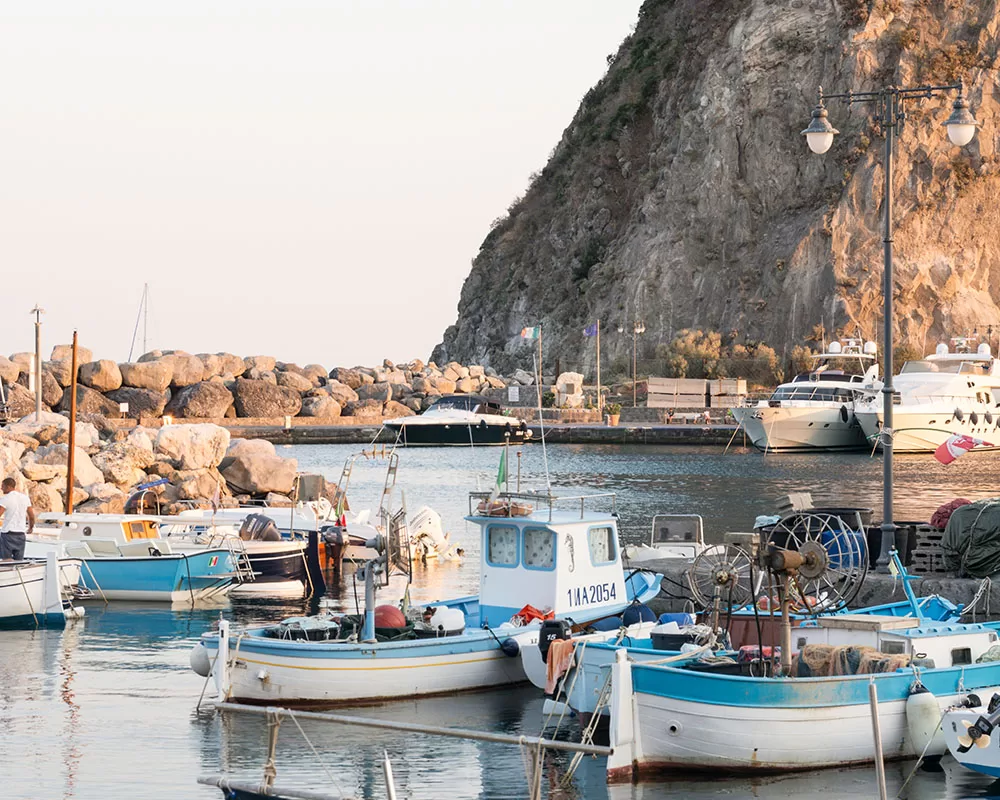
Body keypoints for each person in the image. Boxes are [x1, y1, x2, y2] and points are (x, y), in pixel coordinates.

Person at [0, 477, 34, 561]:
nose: (1, 488)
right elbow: (31, 516)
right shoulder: (25, 498)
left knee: (6, 561)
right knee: (19, 561)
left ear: (8, 487)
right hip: (21, 534)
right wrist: (30, 528)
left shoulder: (5, 499)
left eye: (2, 486)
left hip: (8, 533)